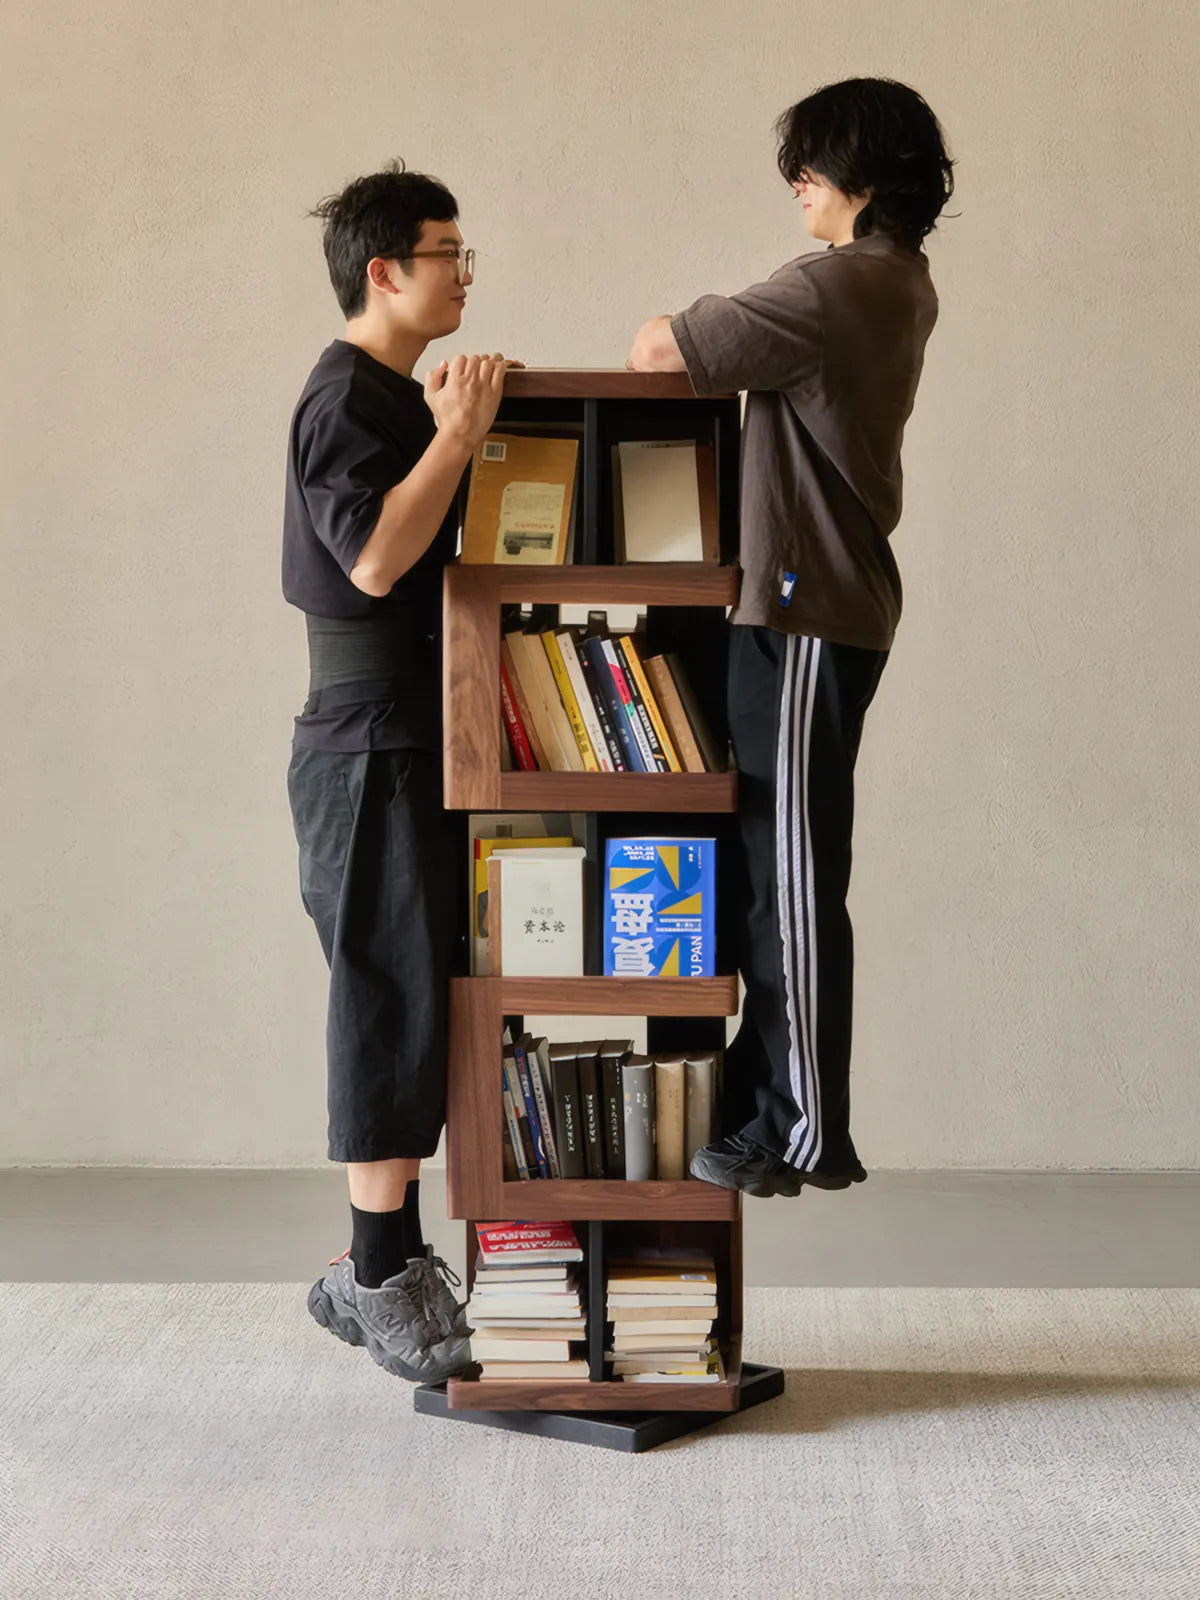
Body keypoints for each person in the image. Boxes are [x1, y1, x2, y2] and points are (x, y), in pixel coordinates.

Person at [627, 79, 954, 1197]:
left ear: (862, 175)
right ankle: (770, 1094)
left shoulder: (837, 284)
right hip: (809, 607)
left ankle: (804, 1126)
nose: (797, 188)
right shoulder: (894, 282)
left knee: (796, 875)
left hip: (810, 609)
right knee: (776, 865)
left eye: (810, 167)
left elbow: (661, 349)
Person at [282, 161, 516, 1379]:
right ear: (387, 269)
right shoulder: (345, 400)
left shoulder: (387, 395)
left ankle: (371, 1263)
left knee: (417, 991)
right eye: (448, 253)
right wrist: (462, 431)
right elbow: (375, 560)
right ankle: (381, 1270)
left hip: (414, 734)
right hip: (367, 737)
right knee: (385, 993)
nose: (464, 274)